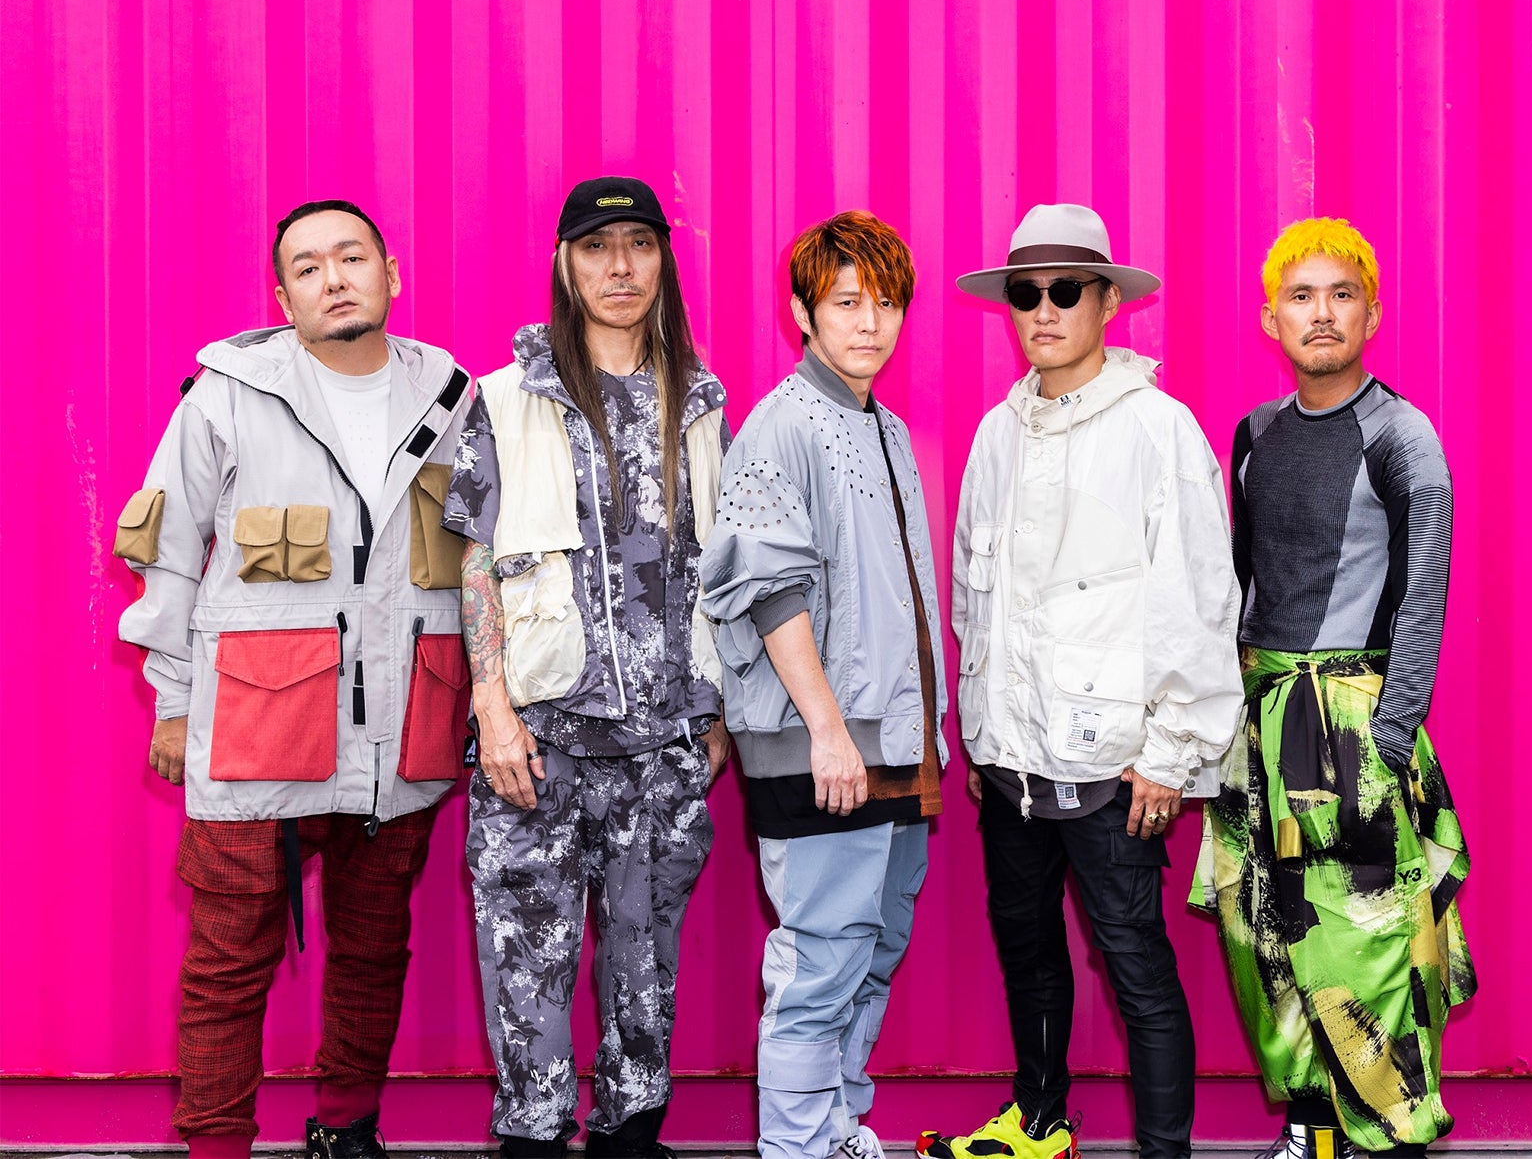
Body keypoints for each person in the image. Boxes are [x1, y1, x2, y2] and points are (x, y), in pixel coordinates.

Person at [115, 200, 475, 1159]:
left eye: (351, 257)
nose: (333, 278)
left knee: (374, 950)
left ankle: (348, 1128)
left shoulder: (453, 397)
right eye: (308, 267)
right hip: (257, 729)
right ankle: (216, 1148)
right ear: (283, 299)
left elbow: (488, 563)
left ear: (391, 273)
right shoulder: (225, 397)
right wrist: (173, 700)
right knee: (227, 965)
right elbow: (166, 552)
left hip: (404, 727)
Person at [917, 204, 1242, 1159]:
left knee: (1137, 966)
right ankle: (1040, 1122)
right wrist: (981, 732)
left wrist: (1173, 754)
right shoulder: (996, 436)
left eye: (1066, 290)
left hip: (1117, 772)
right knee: (1026, 951)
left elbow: (1198, 600)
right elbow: (974, 603)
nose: (1045, 310)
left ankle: (1164, 1153)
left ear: (1107, 303)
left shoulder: (1158, 431)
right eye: (1026, 293)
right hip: (1011, 769)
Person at [444, 176, 730, 1159]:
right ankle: (529, 1139)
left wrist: (715, 712)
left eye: (640, 245)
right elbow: (475, 562)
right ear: (565, 264)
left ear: (663, 262)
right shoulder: (504, 399)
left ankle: (630, 1135)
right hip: (542, 741)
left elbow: (716, 570)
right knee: (527, 961)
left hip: (664, 745)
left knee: (646, 966)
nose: (620, 267)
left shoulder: (700, 404)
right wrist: (492, 710)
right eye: (598, 247)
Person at [1190, 217, 1475, 1159]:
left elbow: (1425, 593)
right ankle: (1311, 1127)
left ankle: (1385, 1137)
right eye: (1301, 296)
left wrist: (1387, 738)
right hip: (1257, 723)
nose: (1321, 313)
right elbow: (1241, 586)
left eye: (1341, 295)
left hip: (1351, 721)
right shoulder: (1254, 434)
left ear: (1372, 315)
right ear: (1270, 318)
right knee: (1265, 936)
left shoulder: (1404, 436)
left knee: (1367, 944)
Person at [699, 211, 945, 1159]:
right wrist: (829, 734)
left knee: (871, 952)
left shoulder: (885, 426)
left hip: (895, 743)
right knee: (819, 964)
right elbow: (770, 591)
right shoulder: (782, 425)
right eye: (846, 303)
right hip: (824, 748)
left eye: (884, 305)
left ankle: (838, 1128)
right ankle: (797, 1147)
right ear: (803, 313)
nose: (868, 324)